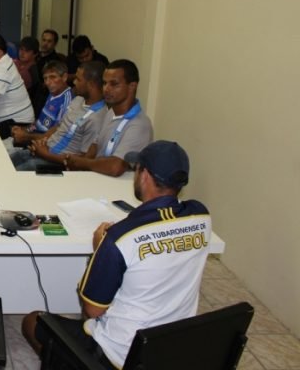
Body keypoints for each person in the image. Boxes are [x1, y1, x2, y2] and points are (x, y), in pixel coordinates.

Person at [22, 140, 211, 369]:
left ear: (144, 175)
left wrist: (98, 249)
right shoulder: (201, 217)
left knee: (32, 321)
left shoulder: (119, 239)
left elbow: (93, 310)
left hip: (119, 356)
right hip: (169, 347)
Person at [11, 61, 107, 171]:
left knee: (13, 174)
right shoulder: (78, 100)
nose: (74, 82)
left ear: (91, 84)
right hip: (45, 150)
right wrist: (41, 144)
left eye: (79, 79)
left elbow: (83, 161)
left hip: (58, 164)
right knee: (7, 161)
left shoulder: (97, 118)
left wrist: (45, 153)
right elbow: (59, 127)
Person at [64, 59, 153, 176]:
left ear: (132, 86)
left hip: (118, 189)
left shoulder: (140, 125)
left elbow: (115, 167)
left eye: (114, 84)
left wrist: (83, 163)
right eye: (104, 83)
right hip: (97, 178)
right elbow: (95, 145)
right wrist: (78, 165)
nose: (106, 89)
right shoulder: (110, 112)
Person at [9, 60, 72, 148]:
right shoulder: (52, 93)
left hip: (45, 146)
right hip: (35, 138)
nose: (47, 82)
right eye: (45, 78)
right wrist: (24, 130)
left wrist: (26, 136)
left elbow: (56, 137)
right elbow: (39, 124)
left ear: (64, 77)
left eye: (53, 77)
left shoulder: (67, 101)